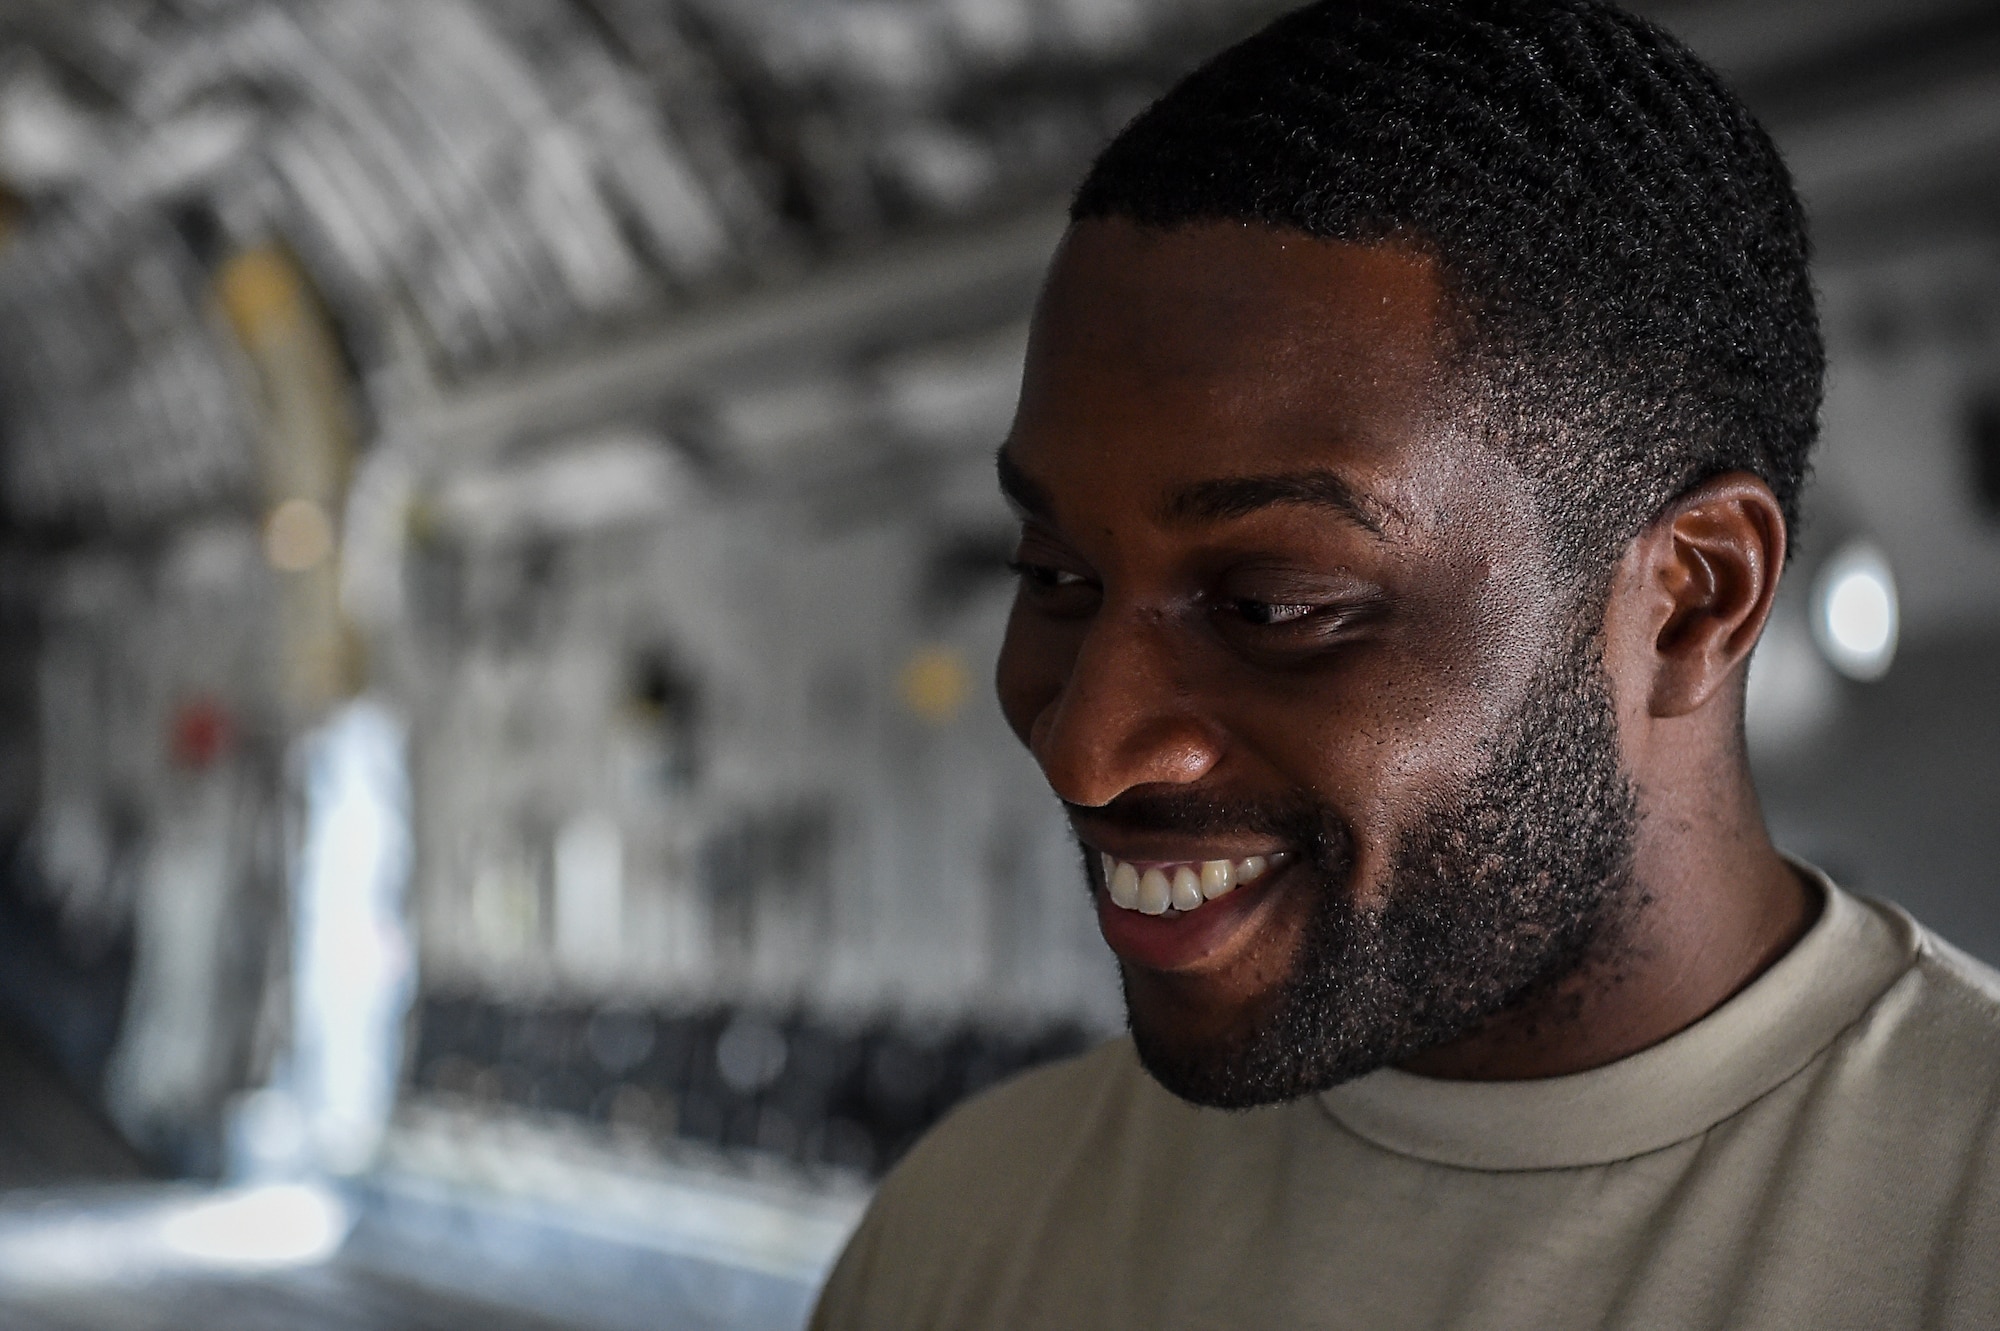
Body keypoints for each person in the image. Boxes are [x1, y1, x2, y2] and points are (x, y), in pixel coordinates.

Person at [810, 1, 2000, 1326]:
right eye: (1055, 580)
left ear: (1688, 602)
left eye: (1275, 604)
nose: (1087, 743)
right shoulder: (968, 1236)